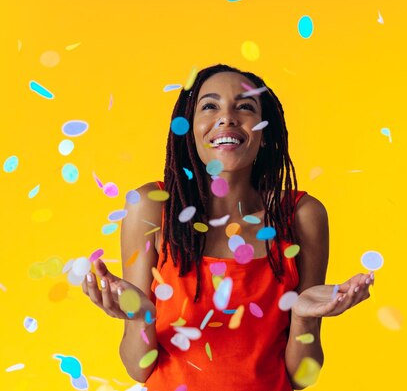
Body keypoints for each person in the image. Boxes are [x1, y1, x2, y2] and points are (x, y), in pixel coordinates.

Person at [82, 64, 374, 391]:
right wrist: (141, 317)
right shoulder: (151, 207)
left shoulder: (302, 215)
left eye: (245, 107)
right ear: (188, 130)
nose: (228, 117)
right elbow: (137, 369)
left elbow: (301, 377)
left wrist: (304, 318)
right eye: (210, 106)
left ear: (264, 133)